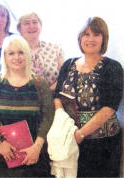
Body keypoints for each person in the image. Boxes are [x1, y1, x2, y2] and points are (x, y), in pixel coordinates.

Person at [53, 17, 123, 177]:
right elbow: (57, 96)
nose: (90, 39)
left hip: (103, 144)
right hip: (69, 139)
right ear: (79, 38)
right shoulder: (68, 64)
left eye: (96, 34)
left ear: (103, 39)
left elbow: (109, 107)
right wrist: (61, 120)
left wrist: (81, 133)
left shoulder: (112, 67)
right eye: (86, 34)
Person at [0, 35, 54, 177]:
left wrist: (37, 146)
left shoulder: (39, 83)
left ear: (27, 54)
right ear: (4, 57)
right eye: (11, 53)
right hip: (2, 160)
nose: (16, 57)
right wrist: (0, 142)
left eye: (21, 52)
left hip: (34, 157)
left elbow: (48, 117)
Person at [17, 12, 64, 91]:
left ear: (40, 26)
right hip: (23, 99)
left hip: (53, 96)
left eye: (35, 22)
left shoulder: (55, 48)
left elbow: (64, 76)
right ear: (19, 29)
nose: (31, 26)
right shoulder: (14, 51)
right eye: (26, 23)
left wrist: (48, 92)